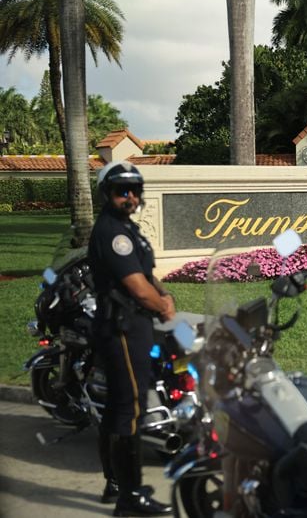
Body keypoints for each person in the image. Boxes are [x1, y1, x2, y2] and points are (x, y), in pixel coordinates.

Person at [88, 161, 175, 516]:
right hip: (123, 327)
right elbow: (137, 288)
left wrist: (165, 295)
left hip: (131, 324)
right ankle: (130, 496)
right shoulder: (113, 232)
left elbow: (145, 275)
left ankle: (116, 484)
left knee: (119, 408)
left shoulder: (127, 228)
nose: (130, 197)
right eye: (122, 191)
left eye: (135, 190)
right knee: (131, 410)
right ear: (106, 194)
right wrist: (163, 307)